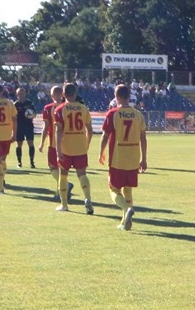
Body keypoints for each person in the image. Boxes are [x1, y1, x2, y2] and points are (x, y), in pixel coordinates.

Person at [99, 84, 148, 231]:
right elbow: (143, 138)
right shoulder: (138, 114)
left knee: (113, 189)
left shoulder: (113, 113)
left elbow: (105, 135)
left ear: (117, 96)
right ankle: (125, 222)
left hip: (118, 158)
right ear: (129, 97)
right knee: (128, 190)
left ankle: (127, 209)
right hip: (133, 158)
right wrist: (144, 158)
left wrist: (101, 152)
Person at [54, 83, 94, 213]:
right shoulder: (83, 109)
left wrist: (58, 150)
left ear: (64, 95)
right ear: (75, 94)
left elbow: (59, 131)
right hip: (80, 147)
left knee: (63, 175)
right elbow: (90, 130)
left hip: (66, 148)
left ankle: (64, 205)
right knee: (82, 174)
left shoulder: (60, 109)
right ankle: (87, 198)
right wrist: (86, 144)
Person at [38, 85, 64, 200]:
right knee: (63, 169)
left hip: (54, 143)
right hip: (68, 143)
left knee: (53, 168)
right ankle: (59, 192)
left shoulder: (48, 108)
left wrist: (42, 142)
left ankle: (63, 187)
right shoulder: (67, 107)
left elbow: (46, 127)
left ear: (51, 95)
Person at [14, 87, 36, 169]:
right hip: (19, 126)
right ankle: (19, 162)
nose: (21, 95)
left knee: (30, 143)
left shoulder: (30, 103)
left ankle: (32, 162)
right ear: (17, 95)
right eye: (19, 94)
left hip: (28, 126)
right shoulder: (15, 104)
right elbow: (13, 116)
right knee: (19, 144)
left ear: (25, 94)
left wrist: (31, 115)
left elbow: (34, 114)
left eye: (22, 94)